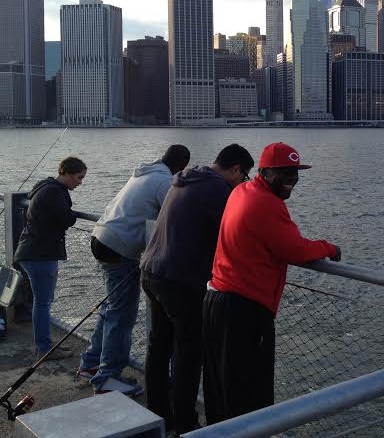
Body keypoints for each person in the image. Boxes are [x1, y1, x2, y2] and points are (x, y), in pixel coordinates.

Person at [202, 142, 341, 425]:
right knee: (250, 395)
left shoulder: (242, 191)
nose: (292, 179)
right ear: (264, 172)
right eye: (284, 172)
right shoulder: (266, 203)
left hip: (219, 300)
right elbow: (296, 249)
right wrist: (329, 248)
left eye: (295, 172)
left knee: (221, 389)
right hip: (243, 308)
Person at [140, 143, 253, 435]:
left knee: (159, 346)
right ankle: (184, 423)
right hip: (181, 282)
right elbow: (235, 233)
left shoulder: (186, 179)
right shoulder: (217, 190)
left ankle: (157, 412)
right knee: (189, 355)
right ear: (236, 169)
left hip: (152, 270)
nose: (243, 184)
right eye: (244, 177)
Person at [77, 145, 191, 396]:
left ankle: (91, 363)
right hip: (120, 247)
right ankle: (106, 378)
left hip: (102, 237)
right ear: (182, 166)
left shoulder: (145, 174)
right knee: (122, 313)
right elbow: (173, 217)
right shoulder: (163, 183)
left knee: (111, 308)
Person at [14, 156, 87, 359]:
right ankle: (44, 349)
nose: (80, 182)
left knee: (41, 301)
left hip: (31, 251)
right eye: (79, 177)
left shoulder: (44, 186)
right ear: (67, 173)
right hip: (40, 254)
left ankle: (44, 345)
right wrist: (71, 216)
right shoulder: (54, 192)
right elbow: (66, 218)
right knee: (43, 302)